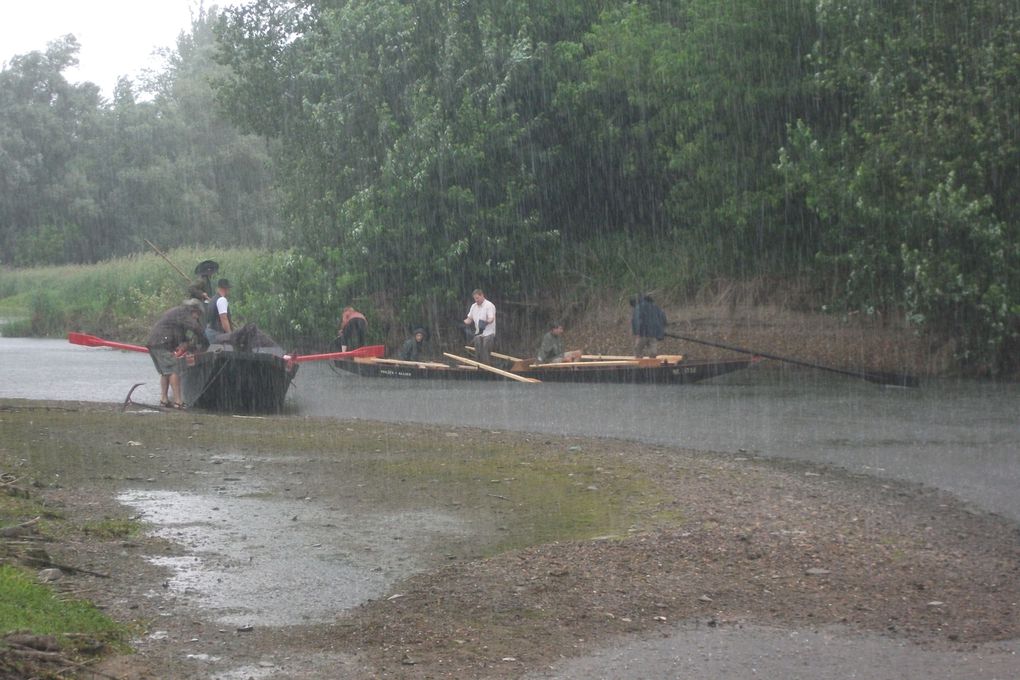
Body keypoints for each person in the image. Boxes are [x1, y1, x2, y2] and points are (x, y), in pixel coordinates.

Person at [146, 299, 208, 409]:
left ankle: (164, 400)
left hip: (154, 342)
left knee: (165, 372)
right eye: (197, 314)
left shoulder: (177, 313)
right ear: (193, 310)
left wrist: (189, 343)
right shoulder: (183, 313)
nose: (197, 317)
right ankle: (178, 401)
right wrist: (205, 341)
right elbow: (195, 328)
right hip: (162, 342)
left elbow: (179, 333)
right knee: (175, 369)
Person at [464, 288, 496, 364]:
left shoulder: (489, 305)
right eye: (475, 299)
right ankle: (478, 367)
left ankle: (487, 368)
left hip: (489, 333)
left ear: (482, 296)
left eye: (477, 298)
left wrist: (485, 323)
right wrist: (462, 323)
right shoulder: (473, 306)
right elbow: (469, 319)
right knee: (478, 349)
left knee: (485, 347)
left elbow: (491, 318)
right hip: (478, 333)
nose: (476, 300)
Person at [205, 278, 233, 344]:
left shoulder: (213, 299)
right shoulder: (222, 300)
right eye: (229, 289)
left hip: (209, 331)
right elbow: (224, 319)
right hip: (217, 334)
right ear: (225, 289)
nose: (229, 291)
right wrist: (230, 335)